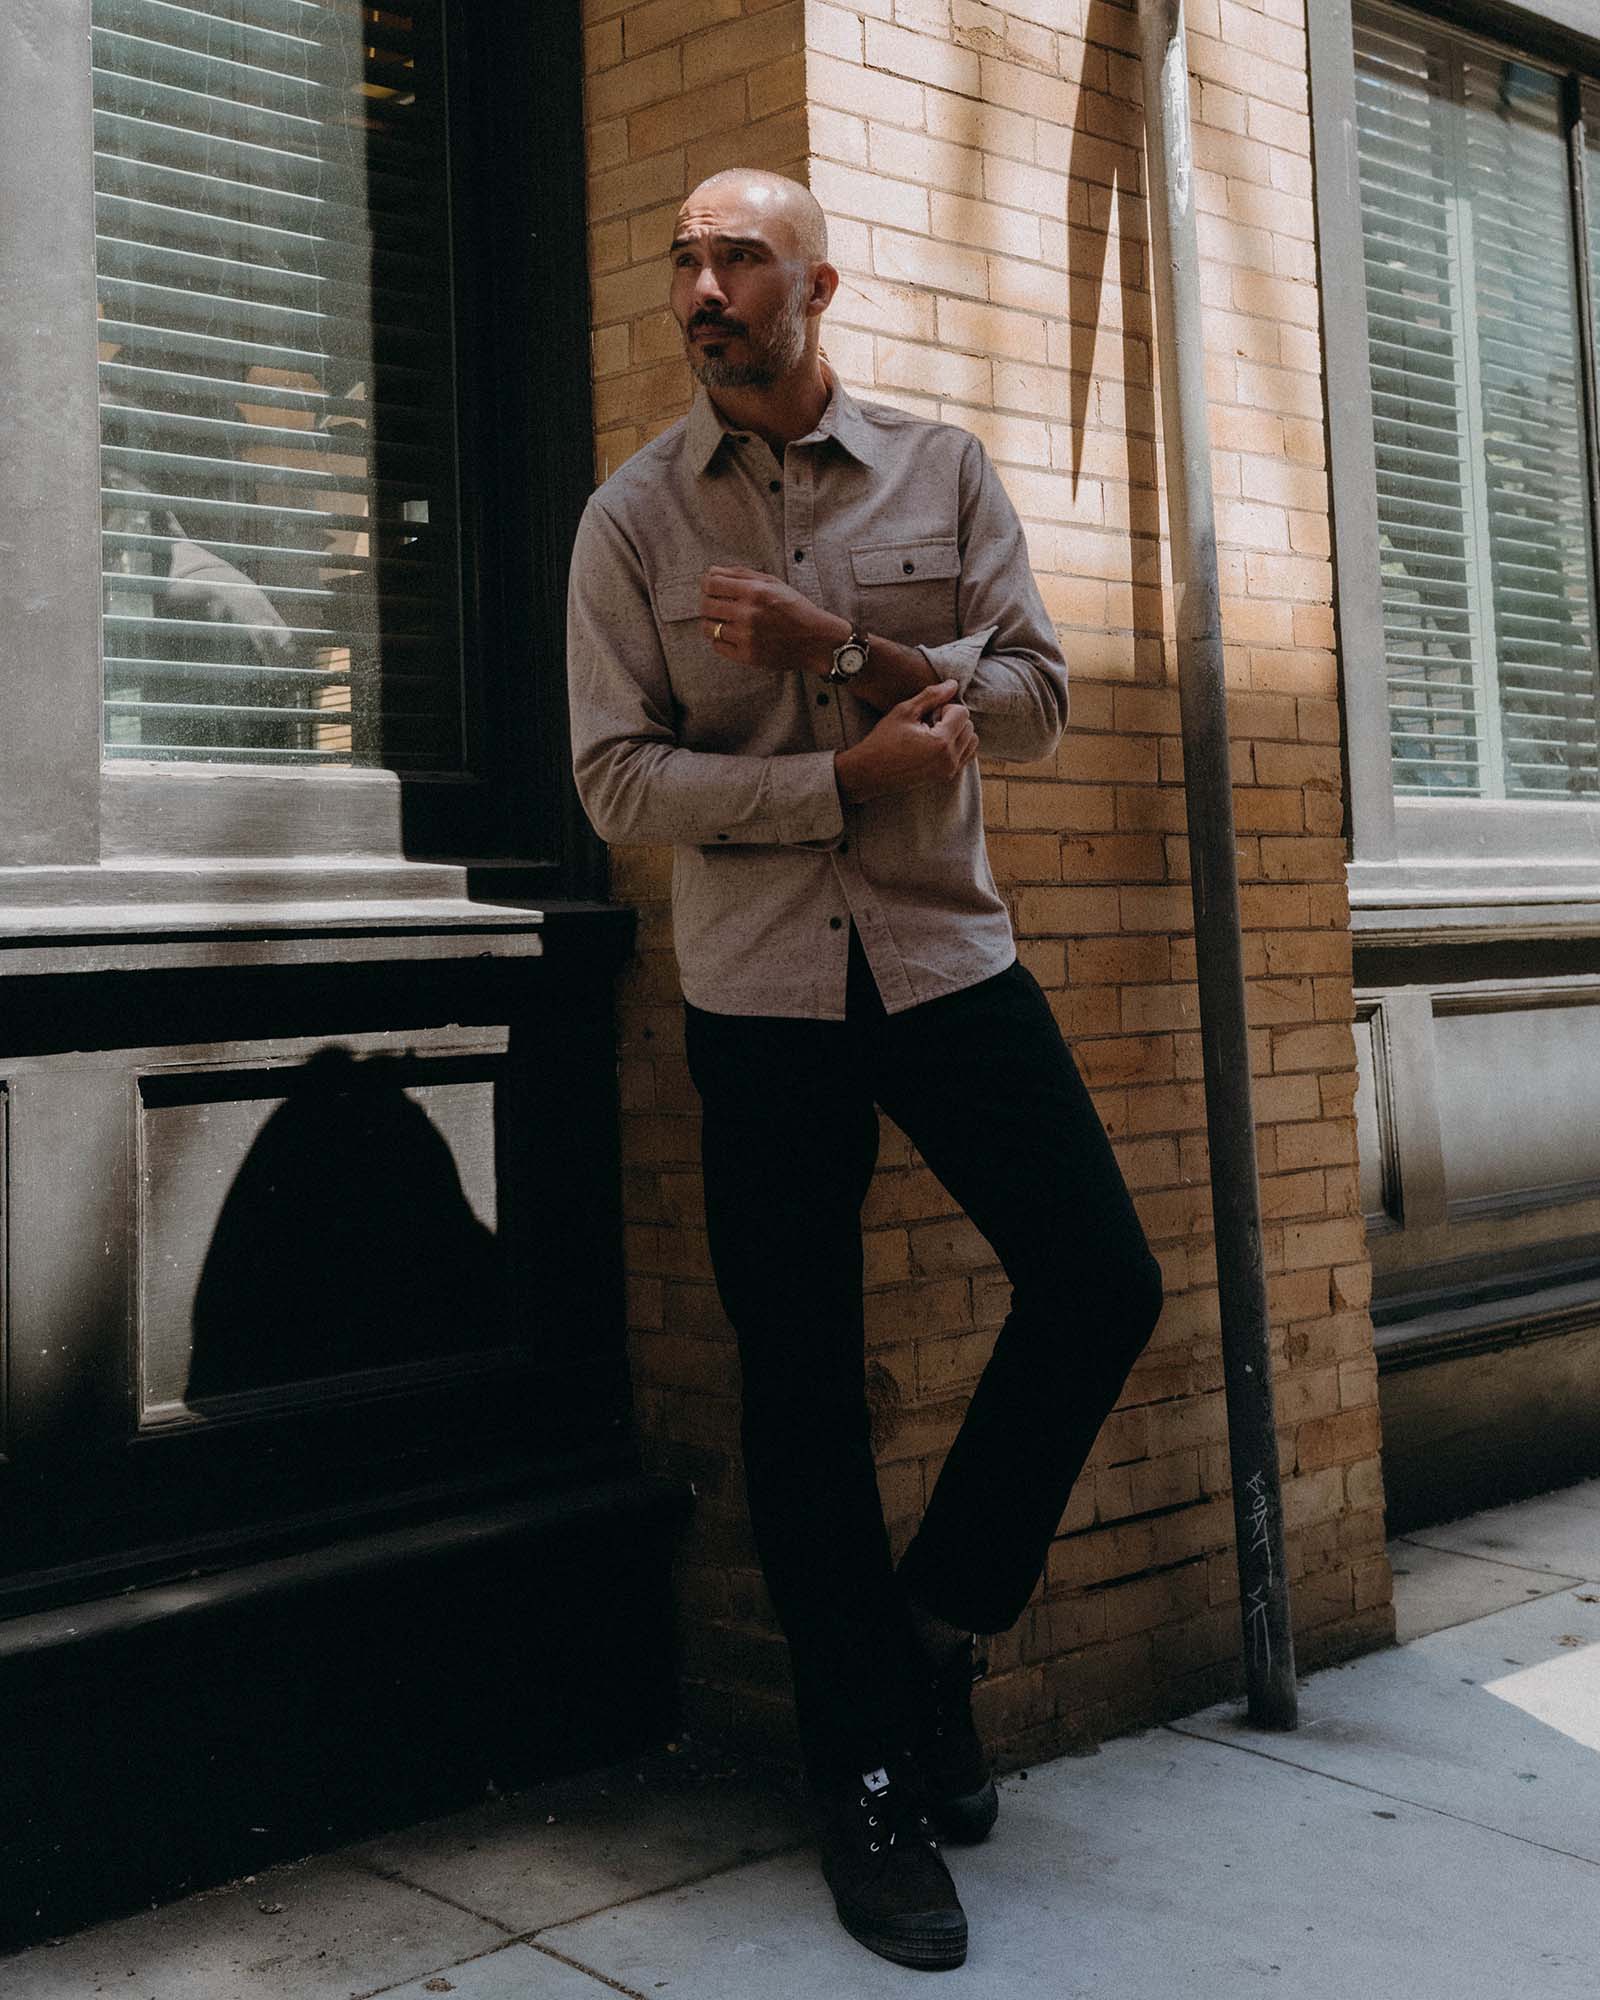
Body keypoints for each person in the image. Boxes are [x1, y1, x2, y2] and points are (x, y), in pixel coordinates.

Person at [566, 168, 1164, 1973]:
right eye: (684, 262)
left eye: (737, 257)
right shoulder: (633, 522)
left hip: (945, 959)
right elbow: (614, 783)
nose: (701, 290)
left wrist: (859, 654)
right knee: (804, 1385)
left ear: (816, 284)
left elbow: (1042, 698)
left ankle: (936, 1630)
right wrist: (834, 781)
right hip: (759, 998)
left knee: (1100, 1280)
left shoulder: (944, 469)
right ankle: (872, 1786)